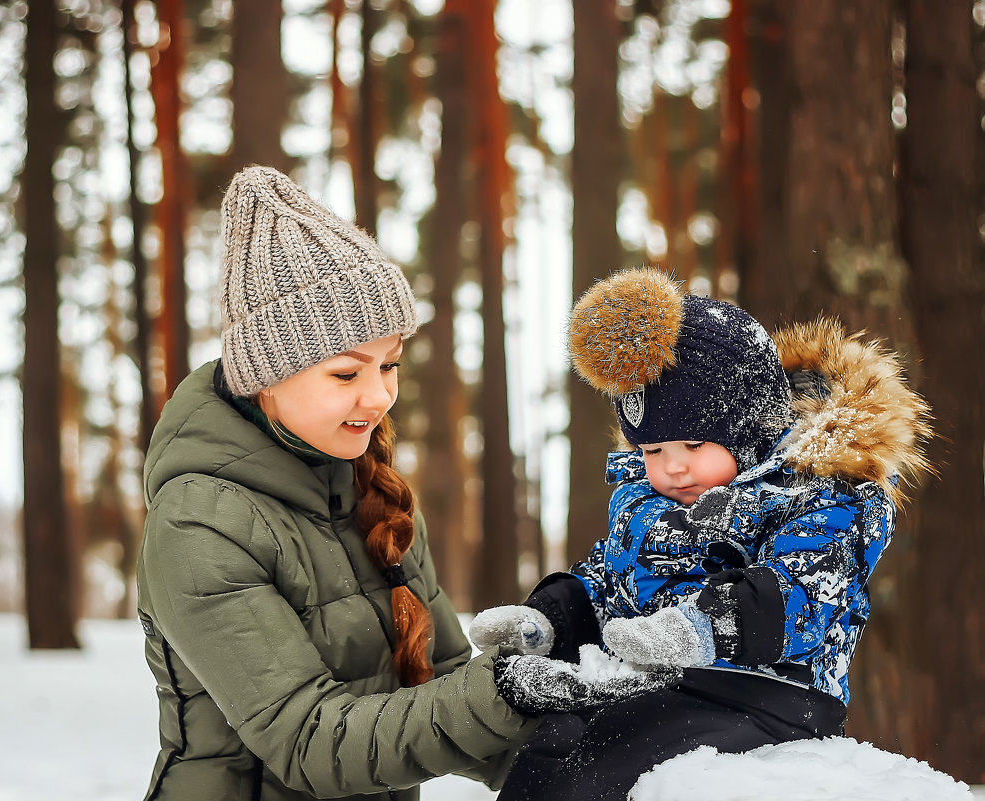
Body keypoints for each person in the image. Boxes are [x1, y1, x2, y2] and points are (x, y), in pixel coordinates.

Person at [135, 164, 564, 801]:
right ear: (265, 374)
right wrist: (502, 692)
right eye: (346, 374)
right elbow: (311, 742)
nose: (379, 395)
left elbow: (441, 685)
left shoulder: (375, 494)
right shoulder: (197, 524)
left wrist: (602, 757)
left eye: (389, 365)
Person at [471, 267, 932, 801]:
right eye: (652, 451)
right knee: (550, 752)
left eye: (693, 446)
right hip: (662, 681)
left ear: (749, 426)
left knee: (596, 770)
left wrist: (699, 628)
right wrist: (548, 618)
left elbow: (804, 594)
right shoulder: (651, 503)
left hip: (766, 696)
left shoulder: (822, 492)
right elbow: (608, 580)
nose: (672, 469)